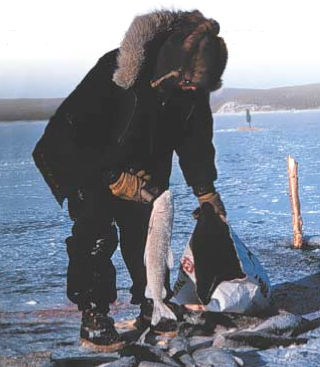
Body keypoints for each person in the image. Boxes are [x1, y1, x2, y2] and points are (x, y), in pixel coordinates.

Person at [33, 9, 228, 348]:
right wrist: (110, 176)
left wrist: (205, 189)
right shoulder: (117, 71)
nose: (190, 89)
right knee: (95, 234)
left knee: (149, 233)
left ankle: (155, 306)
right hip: (85, 162)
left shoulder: (190, 87)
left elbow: (194, 139)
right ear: (171, 66)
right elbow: (70, 137)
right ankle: (93, 317)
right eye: (186, 81)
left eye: (196, 85)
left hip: (142, 167)